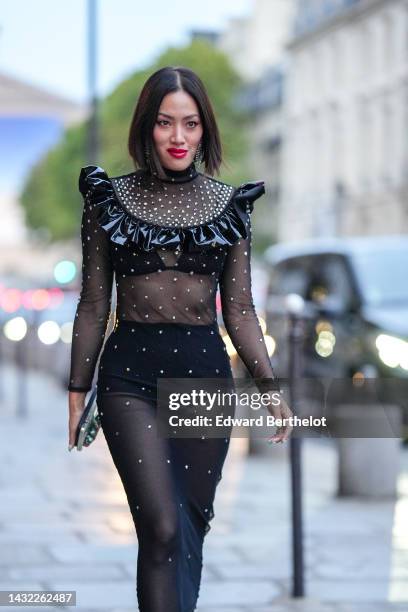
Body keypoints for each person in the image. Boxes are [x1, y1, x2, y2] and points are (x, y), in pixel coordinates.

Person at [68, 65, 292, 612]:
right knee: (162, 527)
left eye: (190, 124)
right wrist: (78, 391)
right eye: (165, 123)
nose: (177, 137)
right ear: (147, 128)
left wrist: (269, 387)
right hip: (130, 381)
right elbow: (95, 303)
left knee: (190, 527)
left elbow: (239, 309)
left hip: (205, 379)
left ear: (204, 131)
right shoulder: (107, 200)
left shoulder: (230, 207)